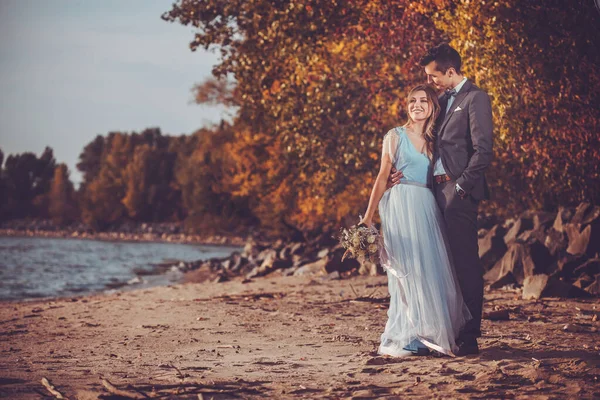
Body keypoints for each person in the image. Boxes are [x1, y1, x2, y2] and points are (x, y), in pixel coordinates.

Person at [390, 43, 493, 356]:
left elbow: (483, 150)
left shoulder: (475, 98)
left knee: (464, 264)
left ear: (451, 71)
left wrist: (461, 187)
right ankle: (440, 331)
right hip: (429, 191)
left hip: (457, 192)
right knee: (438, 265)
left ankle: (469, 336)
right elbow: (423, 143)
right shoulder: (439, 101)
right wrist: (402, 174)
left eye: (434, 76)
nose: (430, 81)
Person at [360, 84, 471, 357]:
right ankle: (409, 335)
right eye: (412, 101)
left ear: (433, 107)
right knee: (407, 269)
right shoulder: (394, 136)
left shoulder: (436, 143)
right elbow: (382, 176)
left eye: (423, 101)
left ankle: (431, 333)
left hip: (427, 206)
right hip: (400, 204)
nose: (417, 105)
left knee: (432, 269)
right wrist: (367, 216)